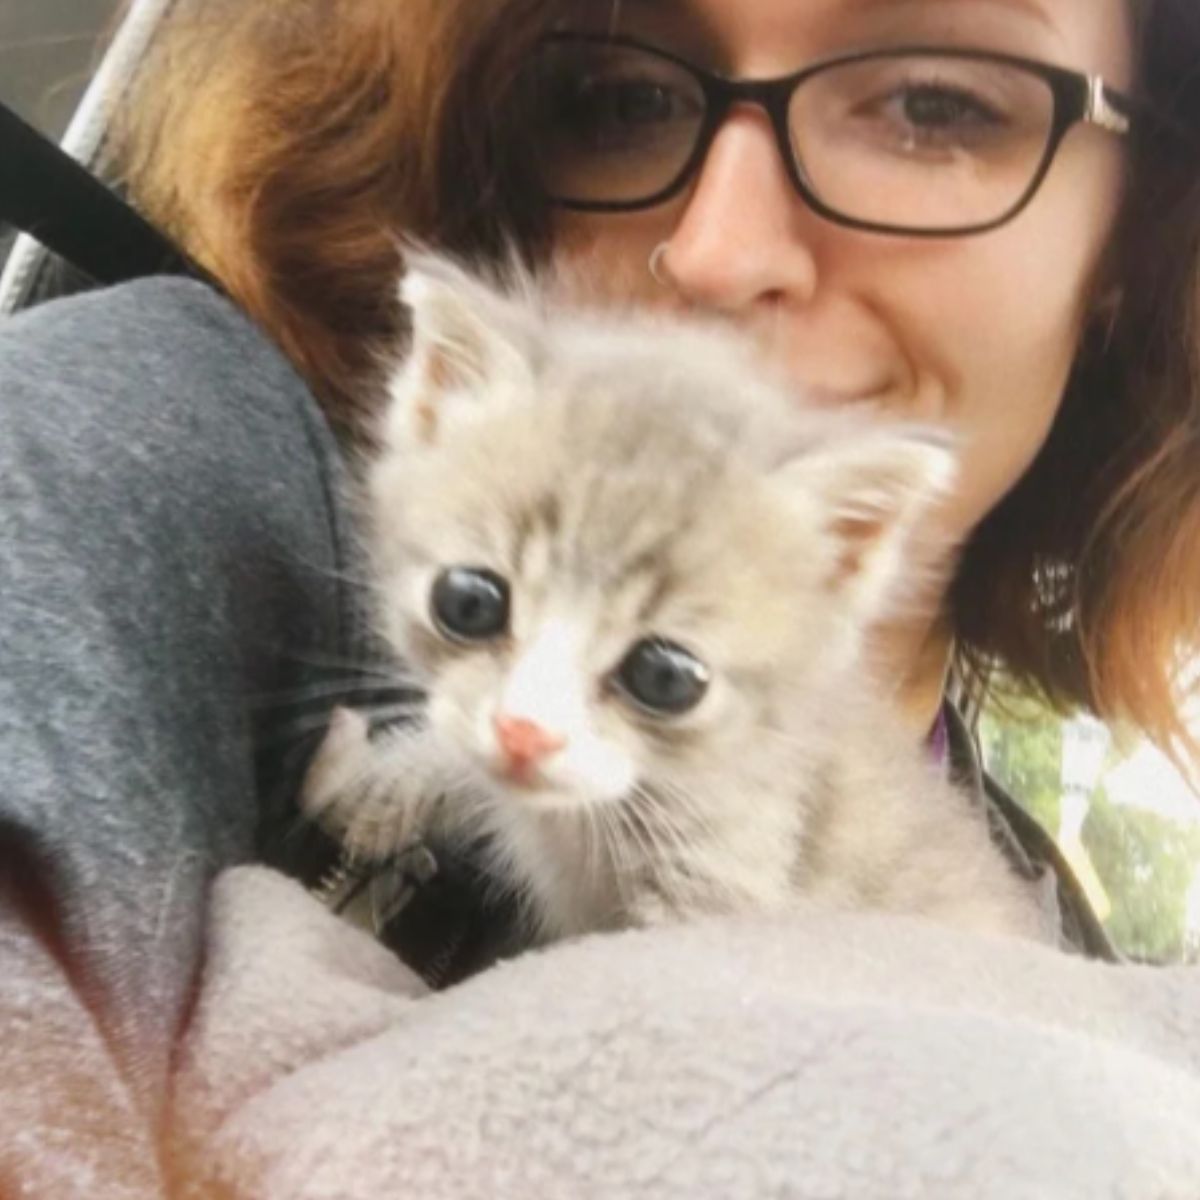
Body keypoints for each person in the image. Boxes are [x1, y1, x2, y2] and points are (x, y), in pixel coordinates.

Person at [1, 0, 1198, 1192]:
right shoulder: (181, 451)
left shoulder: (1055, 942)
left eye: (934, 107)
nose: (723, 253)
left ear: (1134, 243)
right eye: (622, 98)